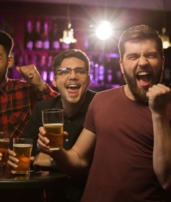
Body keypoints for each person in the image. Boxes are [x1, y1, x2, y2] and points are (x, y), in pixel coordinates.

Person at [37, 24, 171, 201]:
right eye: (133, 56)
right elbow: (78, 161)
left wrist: (159, 114)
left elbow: (167, 180)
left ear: (162, 62)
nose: (143, 62)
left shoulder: (167, 108)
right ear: (122, 66)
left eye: (150, 55)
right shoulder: (101, 100)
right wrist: (55, 149)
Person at [9, 49, 96, 202]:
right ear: (54, 80)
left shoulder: (99, 106)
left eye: (80, 71)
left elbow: (100, 161)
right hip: (53, 196)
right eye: (64, 71)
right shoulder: (44, 108)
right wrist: (27, 159)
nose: (73, 76)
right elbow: (27, 150)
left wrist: (50, 160)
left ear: (88, 79)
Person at [0, 29, 58, 165]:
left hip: (24, 181)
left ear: (9, 61)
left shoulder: (26, 90)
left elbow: (59, 111)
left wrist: (40, 84)